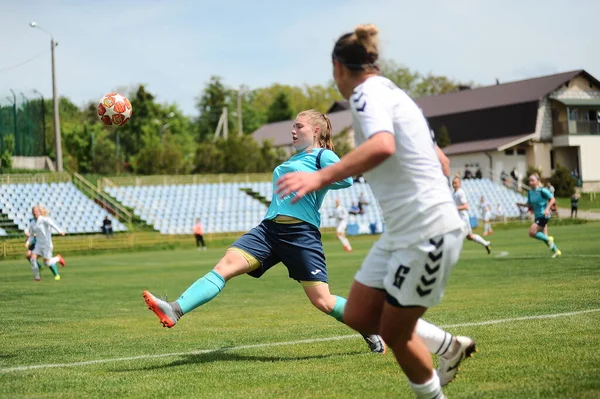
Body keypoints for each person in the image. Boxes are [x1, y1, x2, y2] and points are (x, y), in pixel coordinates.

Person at [276, 25, 476, 398]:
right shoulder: (394, 94)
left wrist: (321, 178)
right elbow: (442, 161)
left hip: (425, 228)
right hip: (405, 229)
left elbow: (383, 145)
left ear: (338, 67)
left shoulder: (366, 96)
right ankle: (447, 346)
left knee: (396, 334)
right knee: (359, 316)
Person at [142, 109, 386, 354]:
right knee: (224, 266)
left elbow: (347, 179)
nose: (293, 130)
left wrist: (316, 179)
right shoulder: (292, 160)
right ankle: (174, 309)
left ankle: (367, 325)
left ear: (316, 131)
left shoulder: (322, 155)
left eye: (299, 126)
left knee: (322, 300)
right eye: (293, 126)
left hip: (301, 234)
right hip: (268, 231)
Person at [516, 174, 562, 258]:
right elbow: (529, 204)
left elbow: (552, 199)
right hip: (537, 216)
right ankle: (556, 251)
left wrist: (547, 209)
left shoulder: (542, 191)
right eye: (529, 180)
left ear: (537, 181)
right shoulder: (530, 192)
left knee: (532, 233)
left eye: (532, 180)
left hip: (544, 215)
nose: (530, 182)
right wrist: (521, 204)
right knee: (544, 235)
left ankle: (549, 239)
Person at [26, 205, 66, 281]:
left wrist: (60, 231)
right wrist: (28, 242)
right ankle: (37, 277)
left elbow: (52, 224)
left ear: (39, 212)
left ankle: (58, 258)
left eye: (36, 211)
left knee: (46, 263)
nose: (35, 213)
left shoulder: (44, 219)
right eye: (33, 212)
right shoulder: (32, 223)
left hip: (47, 244)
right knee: (32, 259)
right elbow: (31, 235)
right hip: (38, 244)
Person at [452, 177, 491, 254]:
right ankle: (486, 244)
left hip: (463, 219)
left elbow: (466, 206)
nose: (454, 185)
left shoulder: (460, 192)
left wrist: (454, 208)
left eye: (456, 183)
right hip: (459, 218)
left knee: (458, 234)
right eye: (453, 183)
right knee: (469, 236)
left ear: (460, 184)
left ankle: (456, 251)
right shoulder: (454, 193)